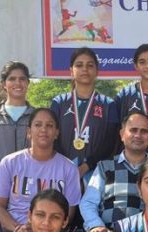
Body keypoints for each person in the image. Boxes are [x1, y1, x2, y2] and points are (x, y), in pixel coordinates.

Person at [0, 108, 81, 232]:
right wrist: (17, 228)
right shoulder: (9, 162)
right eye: (38, 125)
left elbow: (69, 211)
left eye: (49, 125)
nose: (43, 129)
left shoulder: (69, 168)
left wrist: (43, 228)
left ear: (57, 133)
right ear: (28, 132)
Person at [51, 47, 120, 181]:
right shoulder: (59, 102)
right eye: (79, 65)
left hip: (96, 174)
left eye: (90, 65)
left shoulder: (108, 104)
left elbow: (111, 143)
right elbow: (53, 138)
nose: (84, 69)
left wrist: (87, 166)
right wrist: (67, 166)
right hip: (62, 172)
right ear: (71, 71)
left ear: (96, 71)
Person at [0, 61, 35, 203]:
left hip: (30, 190)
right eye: (12, 79)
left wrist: (23, 182)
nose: (18, 83)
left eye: (22, 79)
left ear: (28, 83)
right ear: (4, 84)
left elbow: (43, 154)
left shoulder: (37, 116)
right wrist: (5, 180)